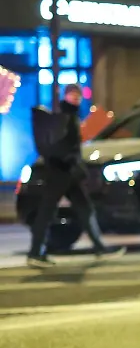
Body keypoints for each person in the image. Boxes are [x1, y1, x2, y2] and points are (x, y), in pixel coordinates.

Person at [27, 84, 125, 268]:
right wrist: (74, 161)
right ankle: (35, 253)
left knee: (84, 209)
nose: (76, 98)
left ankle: (99, 249)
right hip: (61, 174)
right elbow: (66, 148)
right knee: (48, 212)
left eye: (78, 95)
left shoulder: (69, 117)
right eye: (73, 95)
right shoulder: (66, 118)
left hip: (67, 174)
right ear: (66, 96)